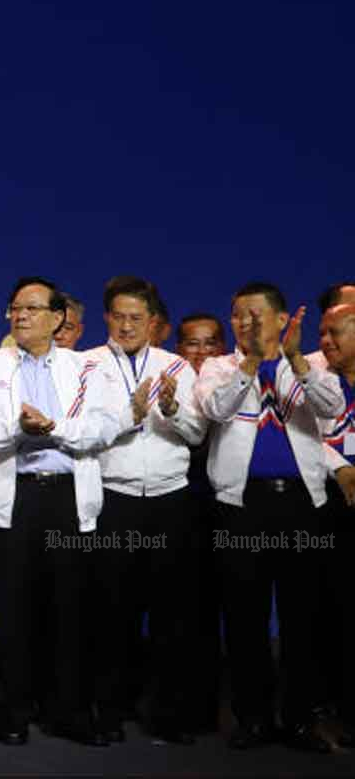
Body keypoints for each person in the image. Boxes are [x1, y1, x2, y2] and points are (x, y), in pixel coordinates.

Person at [195, 282, 355, 752]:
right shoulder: (218, 367)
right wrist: (250, 362)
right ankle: (253, 719)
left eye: (257, 315)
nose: (247, 324)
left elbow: (333, 407)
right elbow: (215, 408)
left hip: (301, 505)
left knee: (301, 617)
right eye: (239, 316)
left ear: (283, 320)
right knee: (245, 617)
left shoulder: (313, 365)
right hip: (240, 506)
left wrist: (296, 362)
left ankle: (300, 719)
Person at [0, 276, 125, 747]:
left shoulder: (85, 368)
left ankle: (69, 711)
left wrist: (55, 427)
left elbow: (105, 427)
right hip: (14, 496)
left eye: (31, 309)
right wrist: (17, 430)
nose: (20, 316)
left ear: (58, 319)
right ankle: (15, 710)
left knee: (69, 608)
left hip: (65, 496)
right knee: (13, 607)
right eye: (15, 308)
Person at [84, 276, 206, 744]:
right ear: (107, 318)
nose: (127, 325)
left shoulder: (175, 365)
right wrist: (129, 416)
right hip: (114, 497)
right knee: (112, 610)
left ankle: (168, 713)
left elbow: (196, 435)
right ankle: (109, 710)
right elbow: (86, 432)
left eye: (137, 317)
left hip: (169, 499)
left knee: (172, 613)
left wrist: (173, 408)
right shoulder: (88, 365)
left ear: (154, 322)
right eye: (119, 316)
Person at [174, 312, 229, 733]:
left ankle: (209, 705)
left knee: (212, 612)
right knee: (178, 612)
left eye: (211, 343)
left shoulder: (230, 389)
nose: (202, 351)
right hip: (175, 514)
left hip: (223, 512)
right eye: (193, 343)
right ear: (180, 348)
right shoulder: (168, 387)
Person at [316, 303, 355, 747]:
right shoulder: (319, 385)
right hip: (329, 512)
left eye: (334, 333)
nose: (325, 342)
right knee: (331, 612)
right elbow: (306, 436)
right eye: (322, 333)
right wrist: (342, 467)